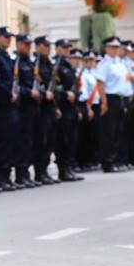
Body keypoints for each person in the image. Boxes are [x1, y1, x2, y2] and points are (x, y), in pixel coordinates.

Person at [90, 37, 128, 173]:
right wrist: (104, 102)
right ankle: (107, 161)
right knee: (108, 132)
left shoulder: (120, 64)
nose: (115, 50)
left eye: (117, 47)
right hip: (109, 98)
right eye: (112, 47)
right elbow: (100, 83)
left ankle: (115, 159)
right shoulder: (104, 64)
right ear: (106, 48)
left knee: (118, 131)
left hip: (120, 98)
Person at [0, 26, 18, 191]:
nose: (8, 40)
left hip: (10, 103)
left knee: (10, 141)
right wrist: (9, 93)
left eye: (10, 37)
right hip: (0, 104)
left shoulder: (7, 56)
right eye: (5, 37)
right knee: (1, 142)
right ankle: (0, 176)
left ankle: (7, 175)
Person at [53, 41, 83, 182]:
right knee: (63, 139)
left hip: (72, 107)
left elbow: (74, 86)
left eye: (68, 48)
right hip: (63, 106)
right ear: (57, 48)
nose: (67, 50)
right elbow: (54, 87)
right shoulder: (56, 65)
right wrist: (64, 96)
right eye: (64, 48)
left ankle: (70, 167)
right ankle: (63, 170)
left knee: (72, 138)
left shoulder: (68, 65)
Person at [13, 33, 39, 187]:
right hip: (21, 106)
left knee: (30, 140)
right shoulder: (14, 61)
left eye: (30, 44)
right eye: (26, 44)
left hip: (32, 106)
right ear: (18, 45)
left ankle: (27, 172)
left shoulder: (30, 63)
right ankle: (20, 174)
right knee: (21, 141)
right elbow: (14, 85)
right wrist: (29, 93)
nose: (29, 47)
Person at [31, 36, 58, 185]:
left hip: (49, 106)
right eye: (45, 45)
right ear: (38, 46)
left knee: (49, 140)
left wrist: (56, 106)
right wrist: (43, 94)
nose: (48, 48)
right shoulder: (35, 63)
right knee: (40, 139)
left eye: (49, 45)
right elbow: (35, 84)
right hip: (39, 106)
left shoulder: (49, 63)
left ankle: (45, 169)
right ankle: (39, 171)